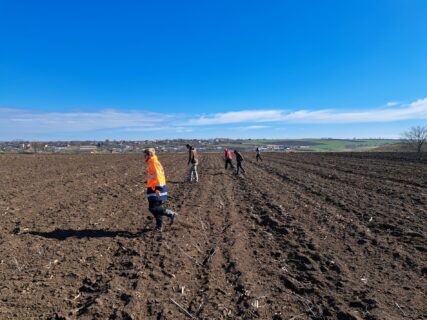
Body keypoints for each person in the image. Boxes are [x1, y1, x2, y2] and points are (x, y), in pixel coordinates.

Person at [144, 148, 178, 232]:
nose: (144, 156)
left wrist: (158, 189)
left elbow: (159, 176)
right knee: (156, 208)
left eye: (145, 155)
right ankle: (159, 227)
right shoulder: (152, 163)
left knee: (153, 208)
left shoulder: (154, 163)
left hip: (156, 189)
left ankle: (170, 213)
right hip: (153, 189)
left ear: (150, 155)